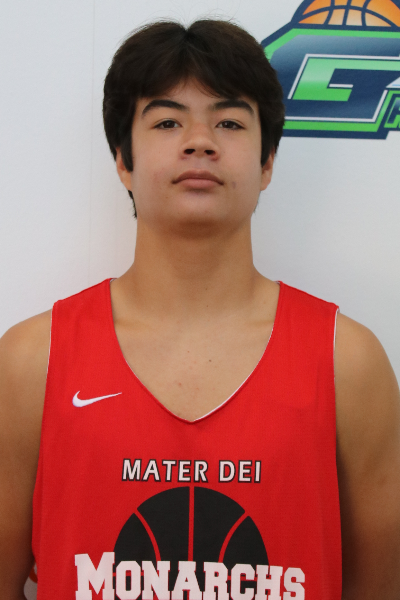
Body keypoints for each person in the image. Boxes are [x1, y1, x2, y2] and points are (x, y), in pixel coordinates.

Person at [0, 18, 399, 600]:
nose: (200, 141)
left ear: (266, 163)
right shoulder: (32, 360)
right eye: (167, 121)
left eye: (229, 122)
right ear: (123, 160)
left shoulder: (348, 362)